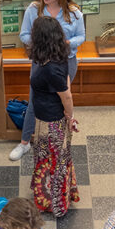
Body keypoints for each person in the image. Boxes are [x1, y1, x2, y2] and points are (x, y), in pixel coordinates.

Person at [9, 0, 85, 161]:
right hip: (41, 62)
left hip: (66, 62)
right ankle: (25, 142)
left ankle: (58, 140)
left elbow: (81, 37)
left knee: (60, 98)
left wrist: (66, 43)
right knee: (35, 100)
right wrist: (41, 43)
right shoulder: (33, 9)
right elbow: (24, 35)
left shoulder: (74, 12)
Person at [28, 16, 80, 217]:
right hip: (51, 119)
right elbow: (67, 85)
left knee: (51, 162)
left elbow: (66, 95)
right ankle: (58, 197)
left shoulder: (49, 68)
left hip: (51, 123)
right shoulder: (58, 57)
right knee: (57, 160)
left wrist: (70, 115)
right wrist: (69, 117)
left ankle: (54, 203)